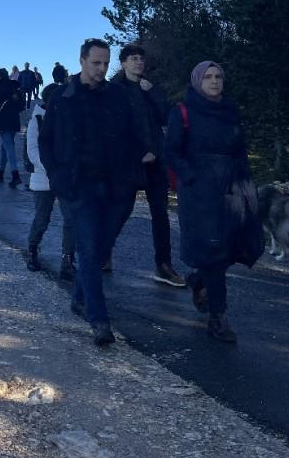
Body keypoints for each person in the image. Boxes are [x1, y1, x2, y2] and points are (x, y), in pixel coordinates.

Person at [40, 38, 150, 346]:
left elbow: (134, 132)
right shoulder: (63, 96)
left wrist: (138, 161)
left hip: (117, 184)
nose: (101, 68)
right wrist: (56, 173)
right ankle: (99, 319)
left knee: (102, 246)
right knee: (88, 249)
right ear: (82, 61)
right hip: (78, 184)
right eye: (96, 63)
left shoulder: (118, 96)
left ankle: (79, 297)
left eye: (105, 63)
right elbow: (45, 139)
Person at [165, 61, 263, 342]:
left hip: (232, 189)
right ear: (197, 81)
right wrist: (191, 176)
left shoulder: (230, 112)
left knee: (231, 248)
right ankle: (218, 318)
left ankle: (198, 280)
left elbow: (240, 151)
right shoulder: (182, 111)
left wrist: (246, 186)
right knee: (215, 253)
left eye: (219, 76)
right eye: (208, 76)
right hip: (199, 195)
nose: (214, 81)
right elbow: (171, 151)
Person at [110, 44, 184, 286]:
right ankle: (102, 252)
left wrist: (153, 92)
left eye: (141, 59)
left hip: (156, 162)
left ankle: (163, 265)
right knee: (121, 211)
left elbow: (167, 117)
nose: (139, 62)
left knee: (160, 215)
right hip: (131, 162)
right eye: (133, 59)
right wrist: (138, 153)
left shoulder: (149, 87)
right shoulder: (115, 90)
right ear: (123, 63)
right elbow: (116, 130)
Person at [25, 87, 76, 275]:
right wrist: (53, 168)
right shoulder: (36, 120)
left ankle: (68, 259)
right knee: (42, 218)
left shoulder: (68, 117)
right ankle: (32, 249)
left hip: (64, 177)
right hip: (44, 177)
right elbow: (32, 151)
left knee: (70, 218)